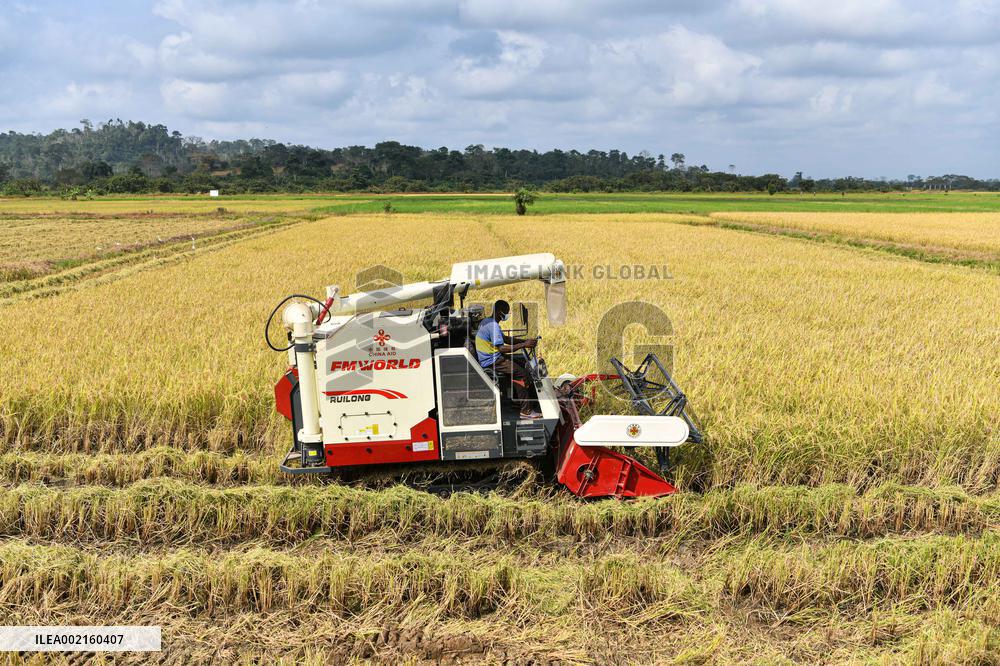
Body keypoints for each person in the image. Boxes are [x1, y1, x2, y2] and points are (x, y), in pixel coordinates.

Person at [475, 299, 540, 419]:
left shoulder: (488, 321)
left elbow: (505, 339)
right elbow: (502, 349)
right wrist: (523, 345)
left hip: (491, 357)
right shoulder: (493, 326)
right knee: (522, 375)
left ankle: (518, 401)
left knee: (520, 364)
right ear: (500, 312)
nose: (508, 315)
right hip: (492, 360)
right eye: (507, 312)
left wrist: (525, 341)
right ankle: (526, 411)